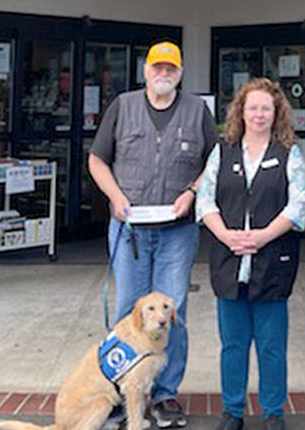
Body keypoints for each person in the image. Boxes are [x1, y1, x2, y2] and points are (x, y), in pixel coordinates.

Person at [89, 41, 215, 429]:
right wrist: (114, 195)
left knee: (172, 311)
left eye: (170, 68)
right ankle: (121, 392)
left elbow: (214, 162)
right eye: (157, 67)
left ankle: (165, 395)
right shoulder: (122, 107)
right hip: (129, 232)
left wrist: (192, 193)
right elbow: (97, 159)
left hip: (177, 232)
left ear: (179, 73)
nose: (163, 73)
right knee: (129, 309)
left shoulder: (196, 111)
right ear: (145, 71)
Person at [197, 78, 305, 430]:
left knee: (272, 346)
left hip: (272, 261)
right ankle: (232, 411)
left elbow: (299, 205)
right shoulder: (223, 150)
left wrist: (262, 237)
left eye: (266, 108)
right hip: (229, 261)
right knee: (233, 345)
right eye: (252, 108)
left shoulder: (289, 152)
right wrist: (226, 236)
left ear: (276, 112)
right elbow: (205, 200)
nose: (259, 114)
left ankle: (273, 412)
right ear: (240, 112)